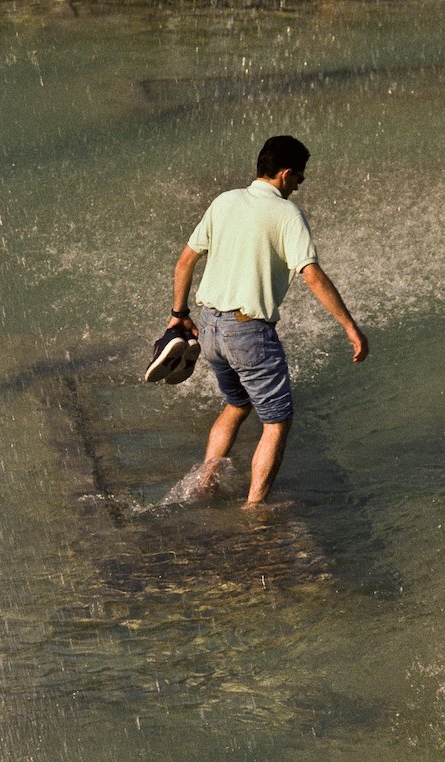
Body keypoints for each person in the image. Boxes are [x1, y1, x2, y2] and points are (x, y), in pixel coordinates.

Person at [164, 135, 368, 507]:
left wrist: (178, 315)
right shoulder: (287, 214)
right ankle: (254, 508)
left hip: (209, 327)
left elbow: (185, 261)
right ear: (286, 174)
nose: (300, 184)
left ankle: (205, 481)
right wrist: (349, 326)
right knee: (277, 421)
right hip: (248, 331)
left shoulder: (224, 201)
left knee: (237, 404)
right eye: (300, 176)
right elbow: (311, 275)